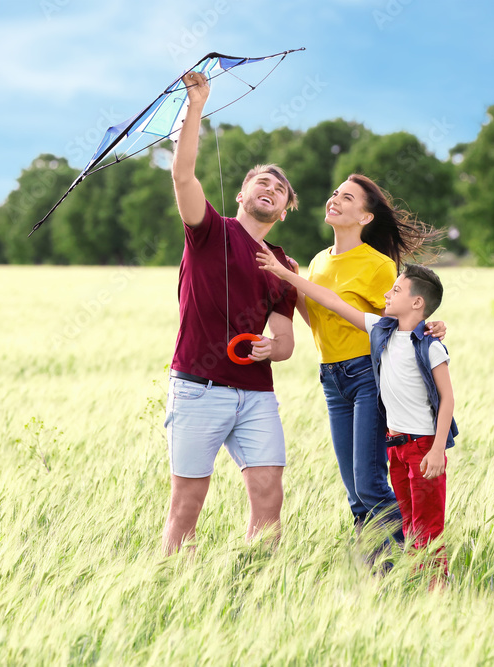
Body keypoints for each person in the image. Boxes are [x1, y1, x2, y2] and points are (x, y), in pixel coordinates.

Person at [161, 70, 299, 554]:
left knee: (268, 495)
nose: (270, 188)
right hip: (198, 390)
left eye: (279, 190)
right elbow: (182, 174)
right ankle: (172, 586)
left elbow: (284, 343)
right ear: (241, 195)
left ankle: (260, 588)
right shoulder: (207, 230)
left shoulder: (284, 265)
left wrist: (270, 347)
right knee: (187, 503)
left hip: (256, 394)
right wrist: (196, 104)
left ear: (283, 210)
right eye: (261, 182)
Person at [257, 252, 457, 567]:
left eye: (396, 291)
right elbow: (333, 301)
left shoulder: (429, 345)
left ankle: (437, 594)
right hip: (396, 447)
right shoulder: (381, 330)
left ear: (417, 303)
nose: (386, 296)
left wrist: (436, 450)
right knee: (407, 524)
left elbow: (447, 399)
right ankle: (405, 581)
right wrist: (285, 274)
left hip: (422, 447)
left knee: (427, 530)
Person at [297, 174, 444, 544]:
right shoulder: (317, 262)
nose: (335, 199)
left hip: (366, 377)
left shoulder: (378, 265)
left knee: (371, 485)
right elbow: (317, 318)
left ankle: (404, 562)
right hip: (331, 378)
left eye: (347, 198)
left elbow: (397, 320)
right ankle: (375, 576)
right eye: (334, 193)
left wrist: (432, 327)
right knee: (356, 492)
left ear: (365, 218)